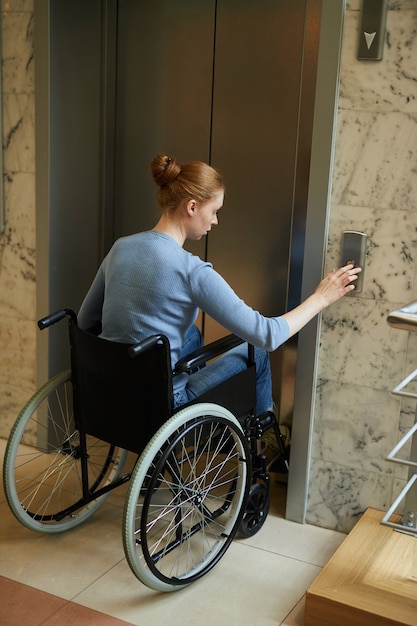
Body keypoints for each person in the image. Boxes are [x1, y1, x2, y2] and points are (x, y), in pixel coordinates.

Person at [78, 154, 361, 413]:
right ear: (192, 207)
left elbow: (85, 321)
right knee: (258, 352)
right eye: (214, 211)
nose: (215, 221)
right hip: (162, 404)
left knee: (190, 335)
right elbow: (267, 335)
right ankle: (258, 447)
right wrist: (321, 298)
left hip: (111, 392)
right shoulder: (192, 271)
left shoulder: (121, 247)